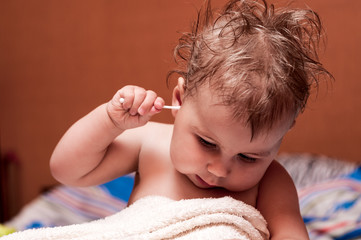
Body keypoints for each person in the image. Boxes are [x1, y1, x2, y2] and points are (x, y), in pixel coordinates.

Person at [50, 0, 332, 238]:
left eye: (249, 157)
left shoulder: (271, 181)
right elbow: (67, 170)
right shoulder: (149, 144)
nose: (220, 169)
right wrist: (110, 122)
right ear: (180, 100)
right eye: (207, 143)